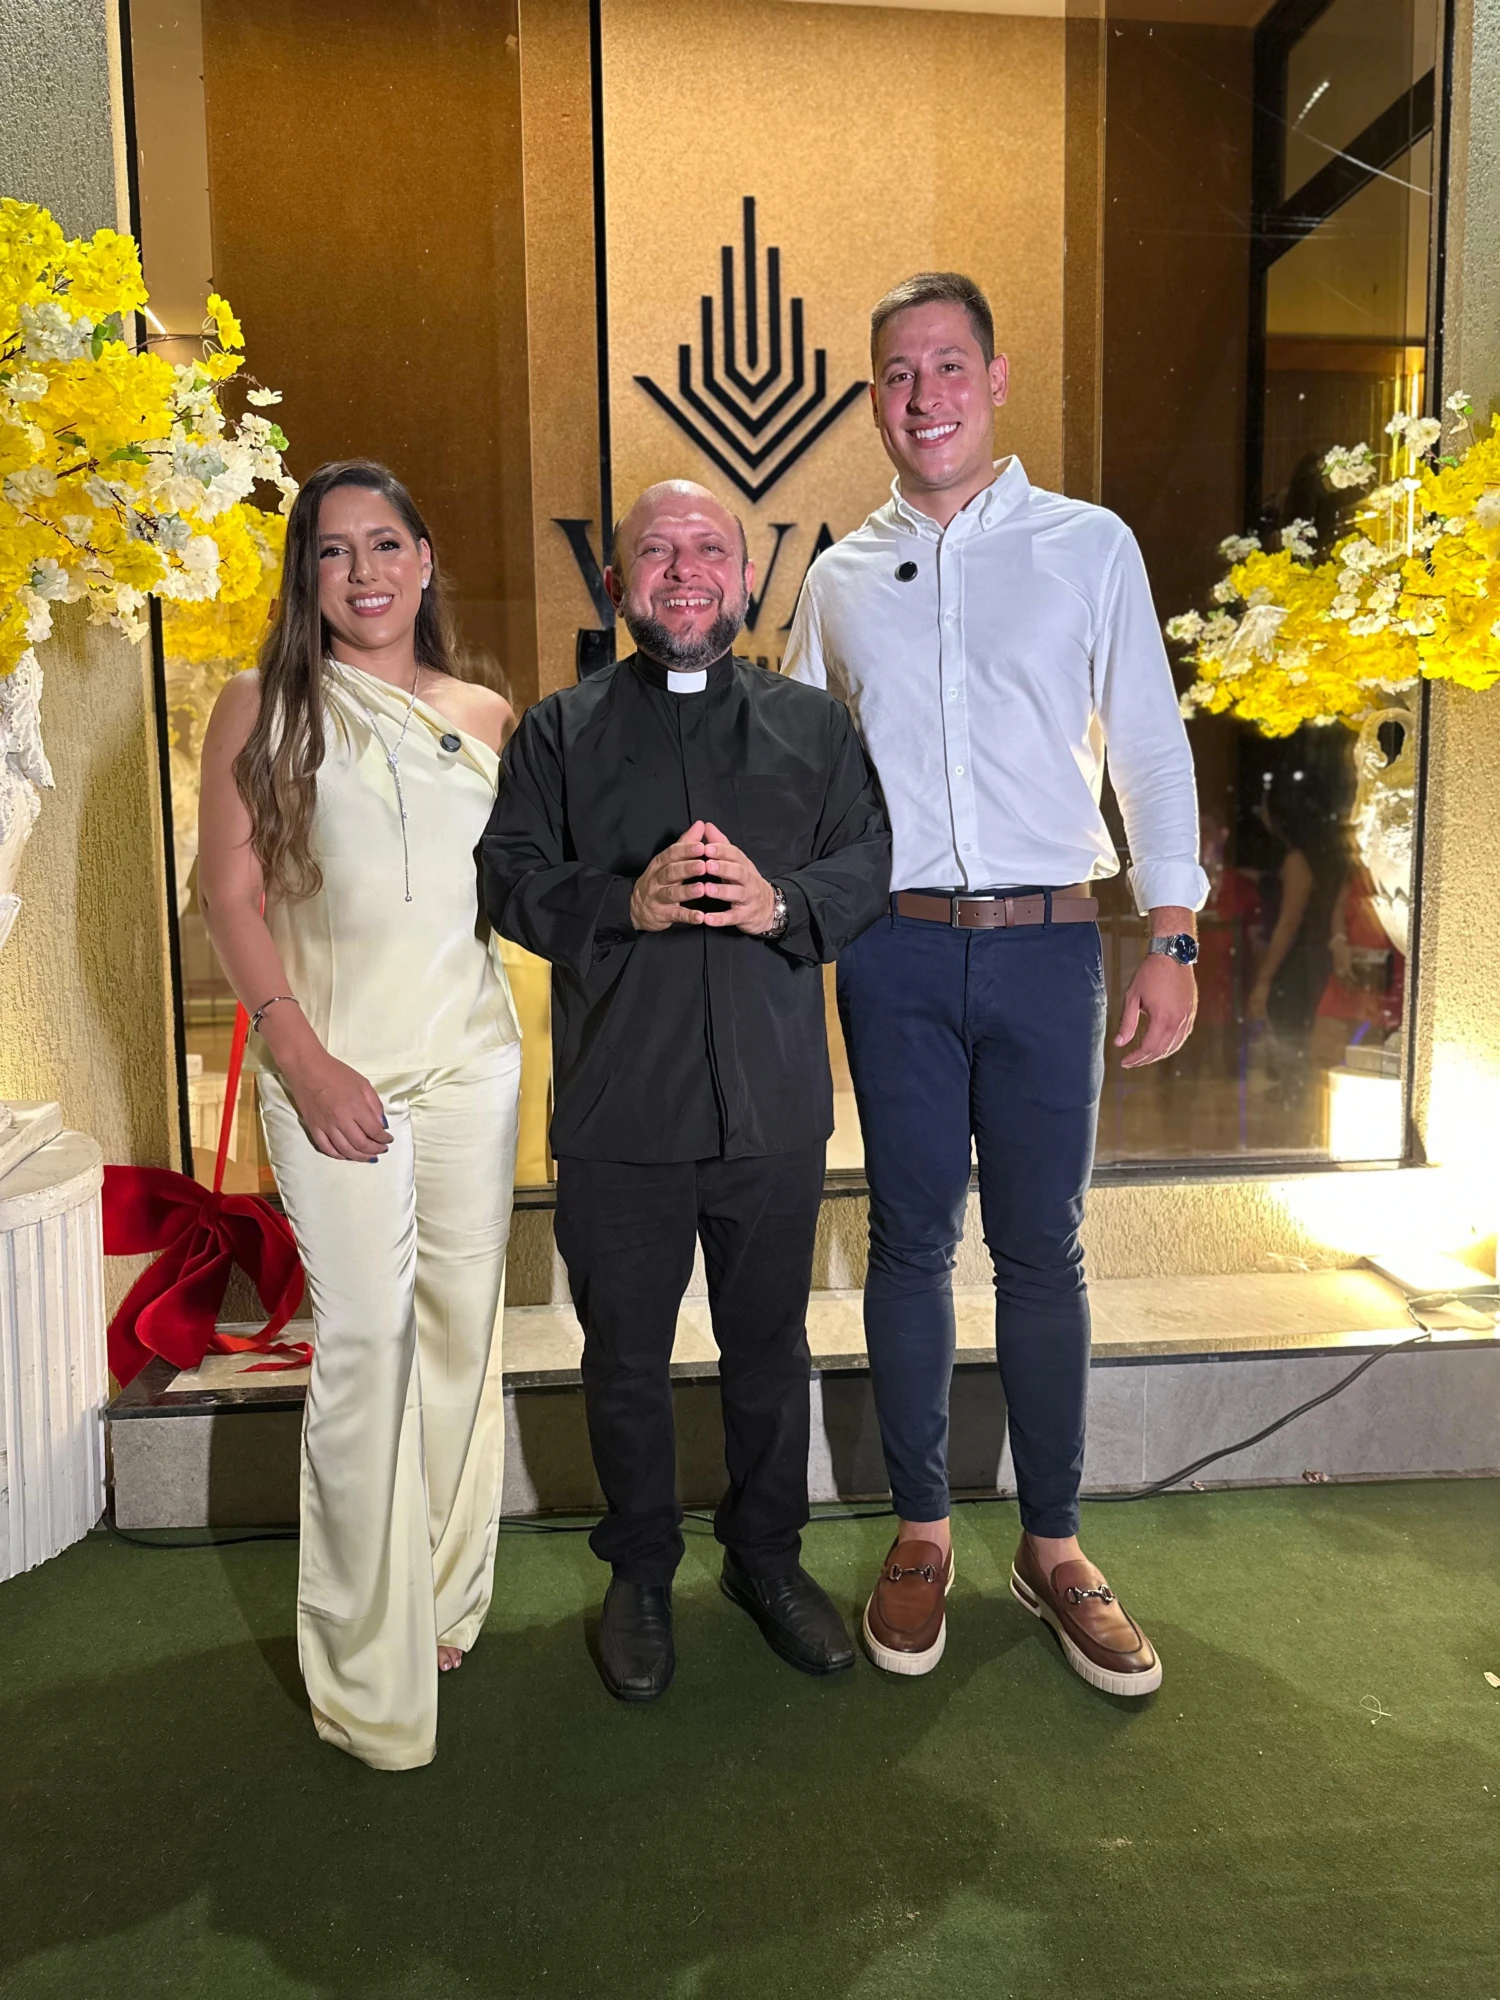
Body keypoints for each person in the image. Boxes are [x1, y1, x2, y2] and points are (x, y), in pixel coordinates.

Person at [784, 272, 1208, 1696]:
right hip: (893, 950)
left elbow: (1148, 742)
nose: (926, 396)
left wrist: (1172, 931)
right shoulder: (840, 577)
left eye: (949, 366)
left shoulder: (1089, 545)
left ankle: (1054, 1542)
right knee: (908, 1244)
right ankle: (920, 1533)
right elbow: (798, 770)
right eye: (899, 374)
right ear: (875, 399)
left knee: (1043, 1248)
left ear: (995, 377)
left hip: (1047, 946)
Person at [480, 479, 891, 1702]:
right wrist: (626, 898)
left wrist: (783, 903)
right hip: (621, 1110)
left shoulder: (814, 728)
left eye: (709, 548)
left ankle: (767, 1556)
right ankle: (641, 1571)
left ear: (746, 580)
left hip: (772, 1105)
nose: (684, 568)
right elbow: (505, 876)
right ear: (617, 584)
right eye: (656, 551)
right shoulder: (556, 733)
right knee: (624, 1357)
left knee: (768, 1347)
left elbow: (871, 860)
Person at [198, 459, 522, 1770]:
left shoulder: (488, 714)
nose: (364, 571)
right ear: (307, 576)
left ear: (425, 559)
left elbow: (523, 892)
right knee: (368, 1342)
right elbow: (228, 895)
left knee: (458, 1332)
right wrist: (304, 1056)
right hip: (332, 1067)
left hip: (474, 1066)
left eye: (385, 543)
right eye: (333, 551)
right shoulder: (260, 705)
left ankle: (439, 1597)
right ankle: (359, 1671)